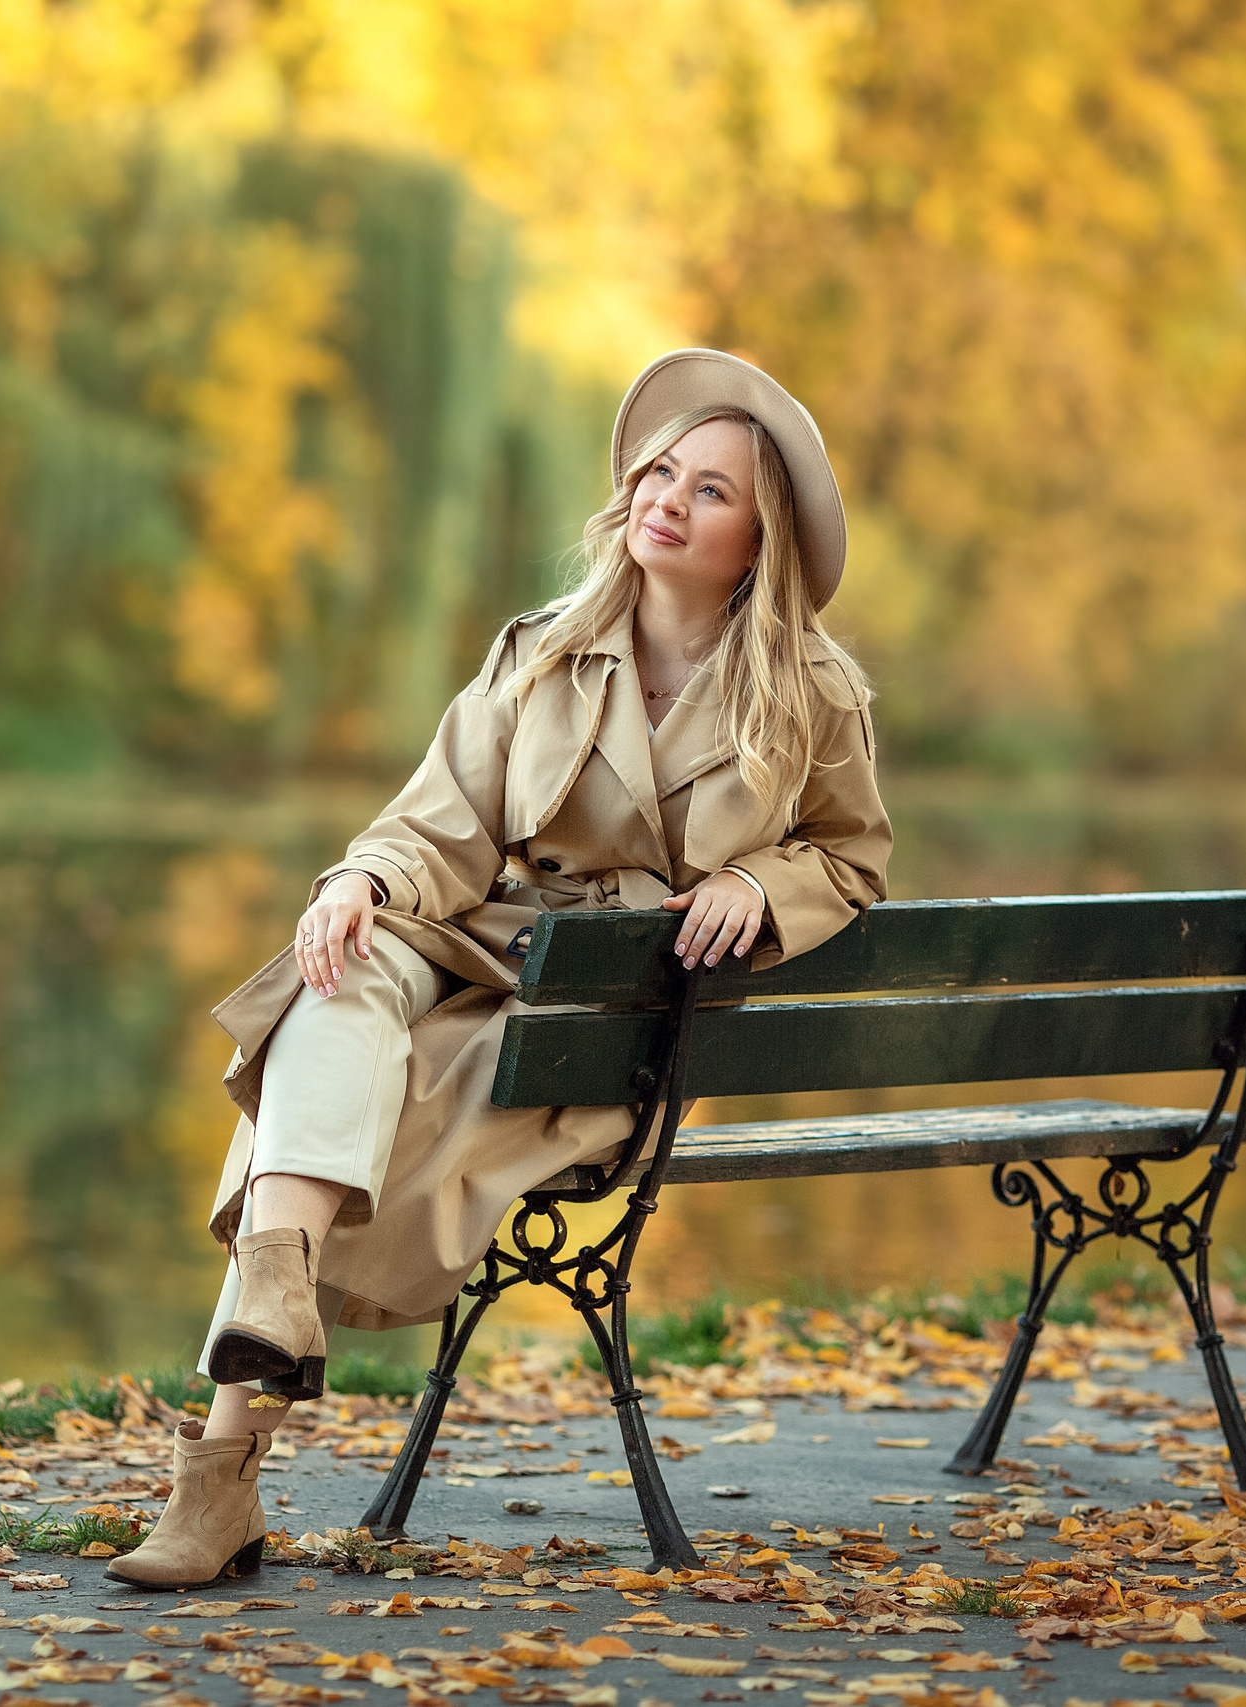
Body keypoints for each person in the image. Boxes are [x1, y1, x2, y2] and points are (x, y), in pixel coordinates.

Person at [108, 349, 893, 1588]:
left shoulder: (808, 693)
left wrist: (756, 883)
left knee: (325, 1120)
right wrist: (360, 883)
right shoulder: (540, 650)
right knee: (340, 977)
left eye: (709, 492)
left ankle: (218, 1479)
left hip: (612, 1019)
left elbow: (850, 858)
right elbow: (437, 829)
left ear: (761, 539)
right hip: (482, 947)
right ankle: (275, 1294)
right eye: (657, 473)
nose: (666, 500)